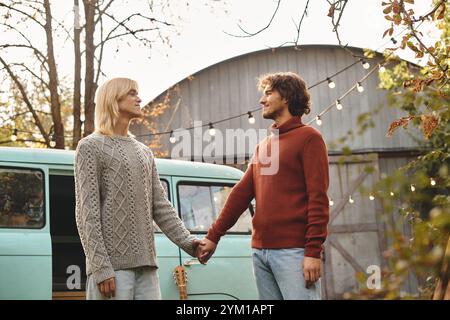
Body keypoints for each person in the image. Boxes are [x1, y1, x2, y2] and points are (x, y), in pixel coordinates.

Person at [200, 72, 330, 300]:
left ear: (286, 96)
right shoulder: (264, 146)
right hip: (260, 252)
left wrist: (312, 251)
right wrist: (214, 236)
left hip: (294, 252)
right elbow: (241, 194)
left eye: (268, 93)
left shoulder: (309, 138)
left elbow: (317, 198)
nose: (262, 100)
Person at [74, 77, 205, 300]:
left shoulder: (144, 152)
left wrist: (190, 243)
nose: (139, 98)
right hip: (112, 270)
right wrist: (101, 267)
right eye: (132, 93)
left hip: (147, 268)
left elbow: (160, 206)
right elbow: (87, 214)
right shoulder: (90, 146)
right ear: (114, 99)